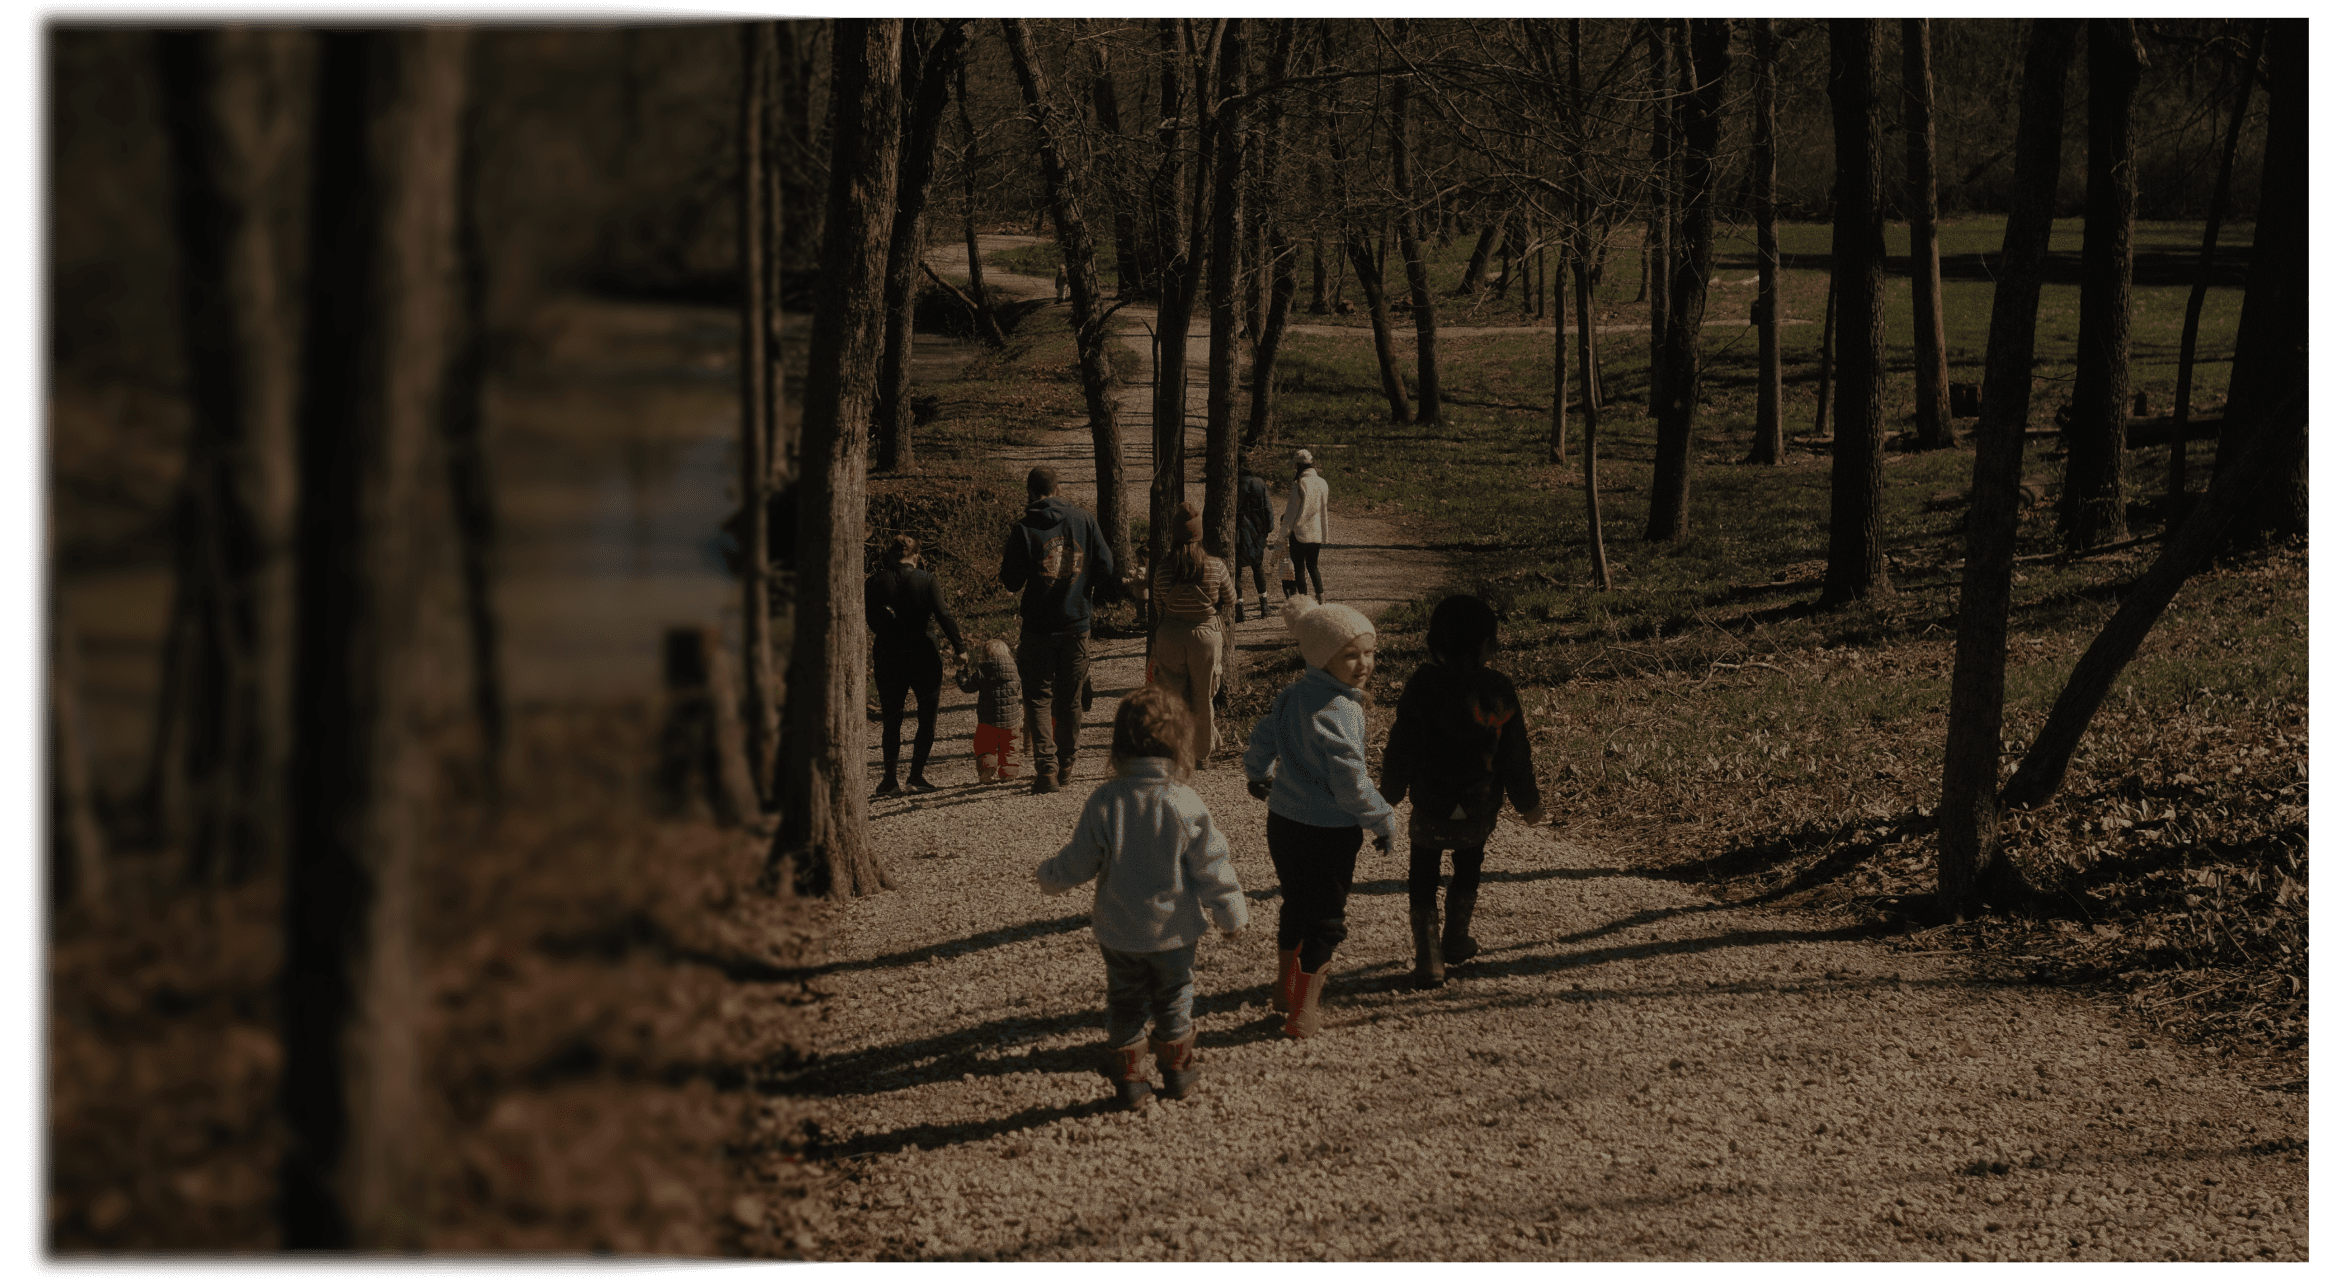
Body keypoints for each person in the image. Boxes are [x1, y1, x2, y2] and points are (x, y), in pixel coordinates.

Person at [1036, 686, 1249, 1111]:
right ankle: (1178, 1070)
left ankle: (1130, 1078)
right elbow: (1212, 864)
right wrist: (1230, 912)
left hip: (1119, 931)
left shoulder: (1104, 801)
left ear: (1118, 747)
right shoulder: (1184, 801)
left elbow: (1080, 860)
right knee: (1174, 996)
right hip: (1174, 932)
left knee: (1125, 999)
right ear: (1180, 746)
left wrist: (1051, 877)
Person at [1241, 595, 1395, 1040]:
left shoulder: (1291, 695)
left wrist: (1257, 770)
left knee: (1295, 903)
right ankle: (1302, 1012)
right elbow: (1349, 780)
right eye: (1349, 655)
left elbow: (1264, 734)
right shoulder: (1342, 709)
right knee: (1326, 917)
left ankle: (1284, 988)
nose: (1363, 663)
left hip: (1283, 821)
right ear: (1322, 657)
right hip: (1327, 831)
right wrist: (1381, 817)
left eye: (1369, 652)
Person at [1379, 595, 1546, 989]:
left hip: (1431, 806)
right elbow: (1514, 754)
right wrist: (1529, 803)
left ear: (1434, 641)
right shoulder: (1497, 689)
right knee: (1468, 866)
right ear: (1488, 645)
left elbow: (1402, 743)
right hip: (1477, 806)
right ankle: (1456, 937)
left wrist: (1388, 792)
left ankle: (1428, 954)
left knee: (1423, 871)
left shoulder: (1422, 685)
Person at [999, 465, 1115, 794]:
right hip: (1076, 625)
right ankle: (1067, 762)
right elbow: (1107, 564)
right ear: (1058, 487)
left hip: (1037, 628)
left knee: (1038, 698)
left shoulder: (1023, 528)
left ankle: (1046, 769)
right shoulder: (1083, 519)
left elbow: (1010, 581)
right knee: (1071, 698)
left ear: (1030, 492)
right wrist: (1083, 585)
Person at [864, 535, 967, 795]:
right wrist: (960, 648)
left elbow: (873, 623)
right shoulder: (926, 579)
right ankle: (916, 776)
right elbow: (944, 614)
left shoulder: (874, 582)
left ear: (890, 556)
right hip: (924, 654)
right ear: (916, 556)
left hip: (889, 655)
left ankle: (889, 781)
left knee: (891, 719)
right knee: (926, 717)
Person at [1148, 501, 1232, 766]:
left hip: (1170, 635)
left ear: (1174, 535)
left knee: (1171, 696)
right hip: (1206, 637)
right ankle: (1201, 754)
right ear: (1199, 534)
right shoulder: (1216, 566)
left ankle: (1173, 749)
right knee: (1203, 696)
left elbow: (1158, 605)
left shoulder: (1162, 569)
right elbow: (1230, 599)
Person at [957, 639, 1024, 784]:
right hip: (1011, 720)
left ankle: (987, 770)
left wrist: (962, 671)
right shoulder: (1015, 670)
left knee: (985, 745)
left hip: (988, 720)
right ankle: (1009, 771)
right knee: (1011, 746)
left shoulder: (983, 671)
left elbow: (967, 686)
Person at [1275, 447, 1330, 603]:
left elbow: (1291, 513)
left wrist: (1282, 535)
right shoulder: (1323, 483)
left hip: (1299, 533)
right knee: (1313, 567)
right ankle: (1321, 599)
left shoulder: (1300, 484)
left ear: (1299, 466)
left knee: (1299, 568)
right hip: (1316, 533)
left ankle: (1305, 602)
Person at [1234, 454, 1275, 623]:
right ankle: (1264, 607)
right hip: (1257, 532)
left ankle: (1239, 611)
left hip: (1237, 534)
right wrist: (1268, 529)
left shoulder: (1232, 484)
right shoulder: (1259, 483)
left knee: (1236, 572)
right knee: (1258, 568)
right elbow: (1268, 509)